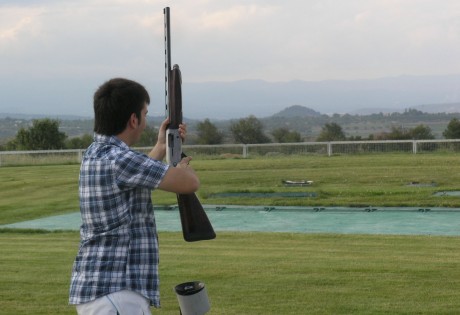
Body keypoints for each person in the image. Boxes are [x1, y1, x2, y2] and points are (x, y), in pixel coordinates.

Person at [69, 78, 199, 314]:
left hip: (101, 291)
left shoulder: (96, 153)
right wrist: (181, 163)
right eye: (145, 114)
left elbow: (138, 172)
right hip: (118, 292)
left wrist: (162, 145)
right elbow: (190, 183)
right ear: (133, 119)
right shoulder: (121, 160)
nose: (145, 121)